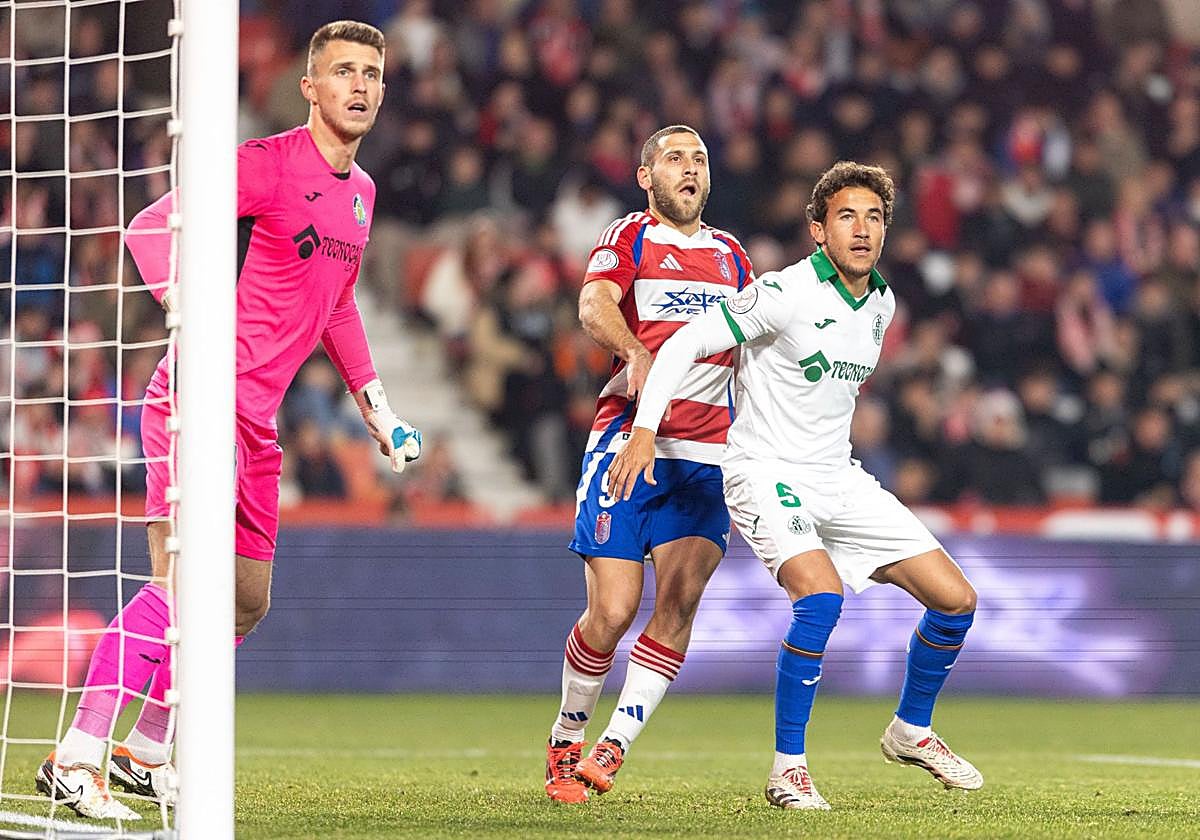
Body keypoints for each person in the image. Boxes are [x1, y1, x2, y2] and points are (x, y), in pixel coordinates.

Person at [35, 21, 421, 820]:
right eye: (343, 70)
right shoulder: (266, 165)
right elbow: (150, 229)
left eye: (372, 73)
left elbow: (338, 306)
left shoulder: (362, 194)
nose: (359, 84)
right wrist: (190, 318)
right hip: (197, 401)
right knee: (181, 594)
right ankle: (76, 756)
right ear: (309, 87)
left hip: (256, 419)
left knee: (244, 601)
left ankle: (145, 751)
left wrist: (377, 408)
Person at [607, 161, 981, 810]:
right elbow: (682, 345)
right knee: (821, 599)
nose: (862, 229)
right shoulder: (781, 293)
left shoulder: (883, 305)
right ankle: (788, 770)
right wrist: (645, 430)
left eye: (874, 217)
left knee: (956, 602)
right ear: (818, 230)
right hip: (764, 471)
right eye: (846, 216)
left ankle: (911, 729)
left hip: (838, 476)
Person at [544, 125, 754, 803]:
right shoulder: (630, 236)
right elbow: (593, 302)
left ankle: (613, 746)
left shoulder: (732, 256)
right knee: (611, 612)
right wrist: (635, 350)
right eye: (675, 159)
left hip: (705, 456)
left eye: (700, 158)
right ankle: (567, 735)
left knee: (679, 603)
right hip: (629, 440)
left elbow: (755, 348)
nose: (690, 169)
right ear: (647, 176)